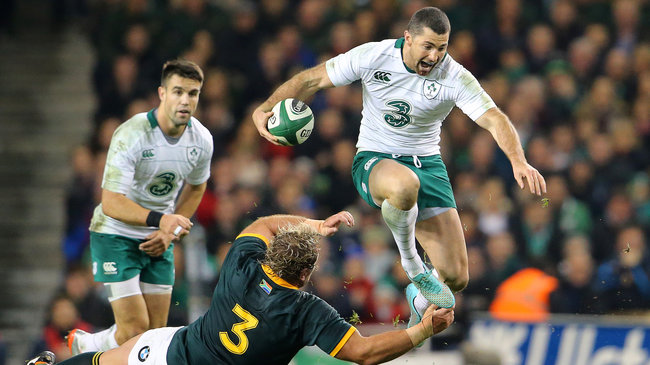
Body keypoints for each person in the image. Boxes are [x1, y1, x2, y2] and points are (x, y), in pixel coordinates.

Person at [252, 6, 546, 326]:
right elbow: (312, 79)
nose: (435, 56)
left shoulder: (454, 76)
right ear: (407, 38)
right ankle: (413, 266)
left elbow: (494, 117)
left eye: (442, 47)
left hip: (429, 167)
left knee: (457, 277)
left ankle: (418, 296)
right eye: (428, 46)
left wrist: (519, 161)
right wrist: (265, 108)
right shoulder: (373, 56)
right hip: (376, 161)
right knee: (404, 185)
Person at [27, 211, 455, 365]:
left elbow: (264, 223)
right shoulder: (306, 310)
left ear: (270, 256)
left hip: (172, 352)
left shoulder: (242, 265)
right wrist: (421, 331)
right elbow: (364, 353)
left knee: (104, 360)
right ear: (305, 274)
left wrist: (313, 225)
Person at [67, 59, 214, 354]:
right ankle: (88, 345)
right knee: (135, 329)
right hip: (115, 234)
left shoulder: (202, 139)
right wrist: (162, 221)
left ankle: (86, 344)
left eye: (193, 93)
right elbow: (110, 202)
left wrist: (169, 232)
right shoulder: (131, 134)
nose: (185, 100)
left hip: (158, 237)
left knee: (153, 336)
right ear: (162, 93)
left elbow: (197, 186)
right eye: (178, 91)